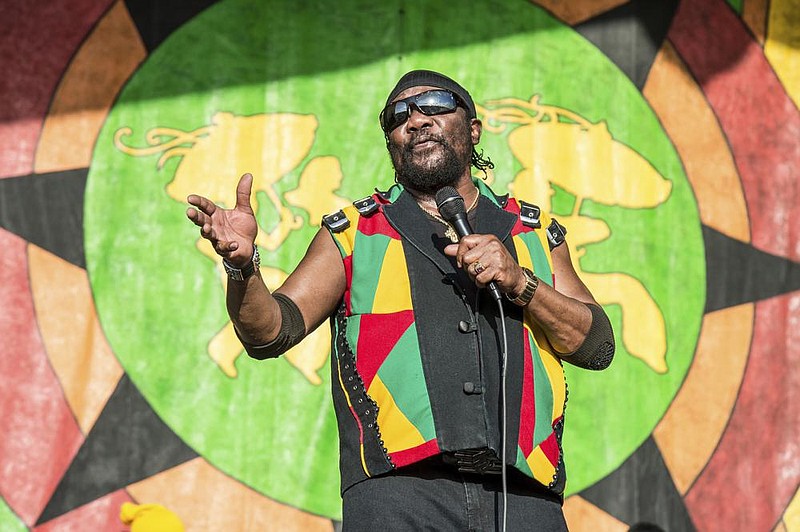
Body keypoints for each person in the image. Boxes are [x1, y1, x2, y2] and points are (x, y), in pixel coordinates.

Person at [186, 70, 614, 531]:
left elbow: (597, 346)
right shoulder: (352, 233)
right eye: (398, 115)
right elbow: (269, 333)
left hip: (524, 499)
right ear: (391, 142)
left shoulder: (533, 232)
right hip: (399, 497)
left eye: (434, 104)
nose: (415, 119)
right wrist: (242, 267)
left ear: (473, 129)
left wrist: (520, 281)